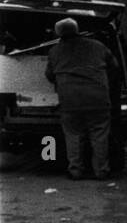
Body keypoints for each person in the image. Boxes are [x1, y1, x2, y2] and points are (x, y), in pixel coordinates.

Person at [45, 17, 119, 180]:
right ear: (77, 30)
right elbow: (114, 67)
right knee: (99, 135)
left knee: (73, 135)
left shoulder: (55, 51)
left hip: (70, 100)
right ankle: (101, 171)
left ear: (58, 33)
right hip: (98, 98)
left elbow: (50, 75)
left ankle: (76, 171)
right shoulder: (98, 46)